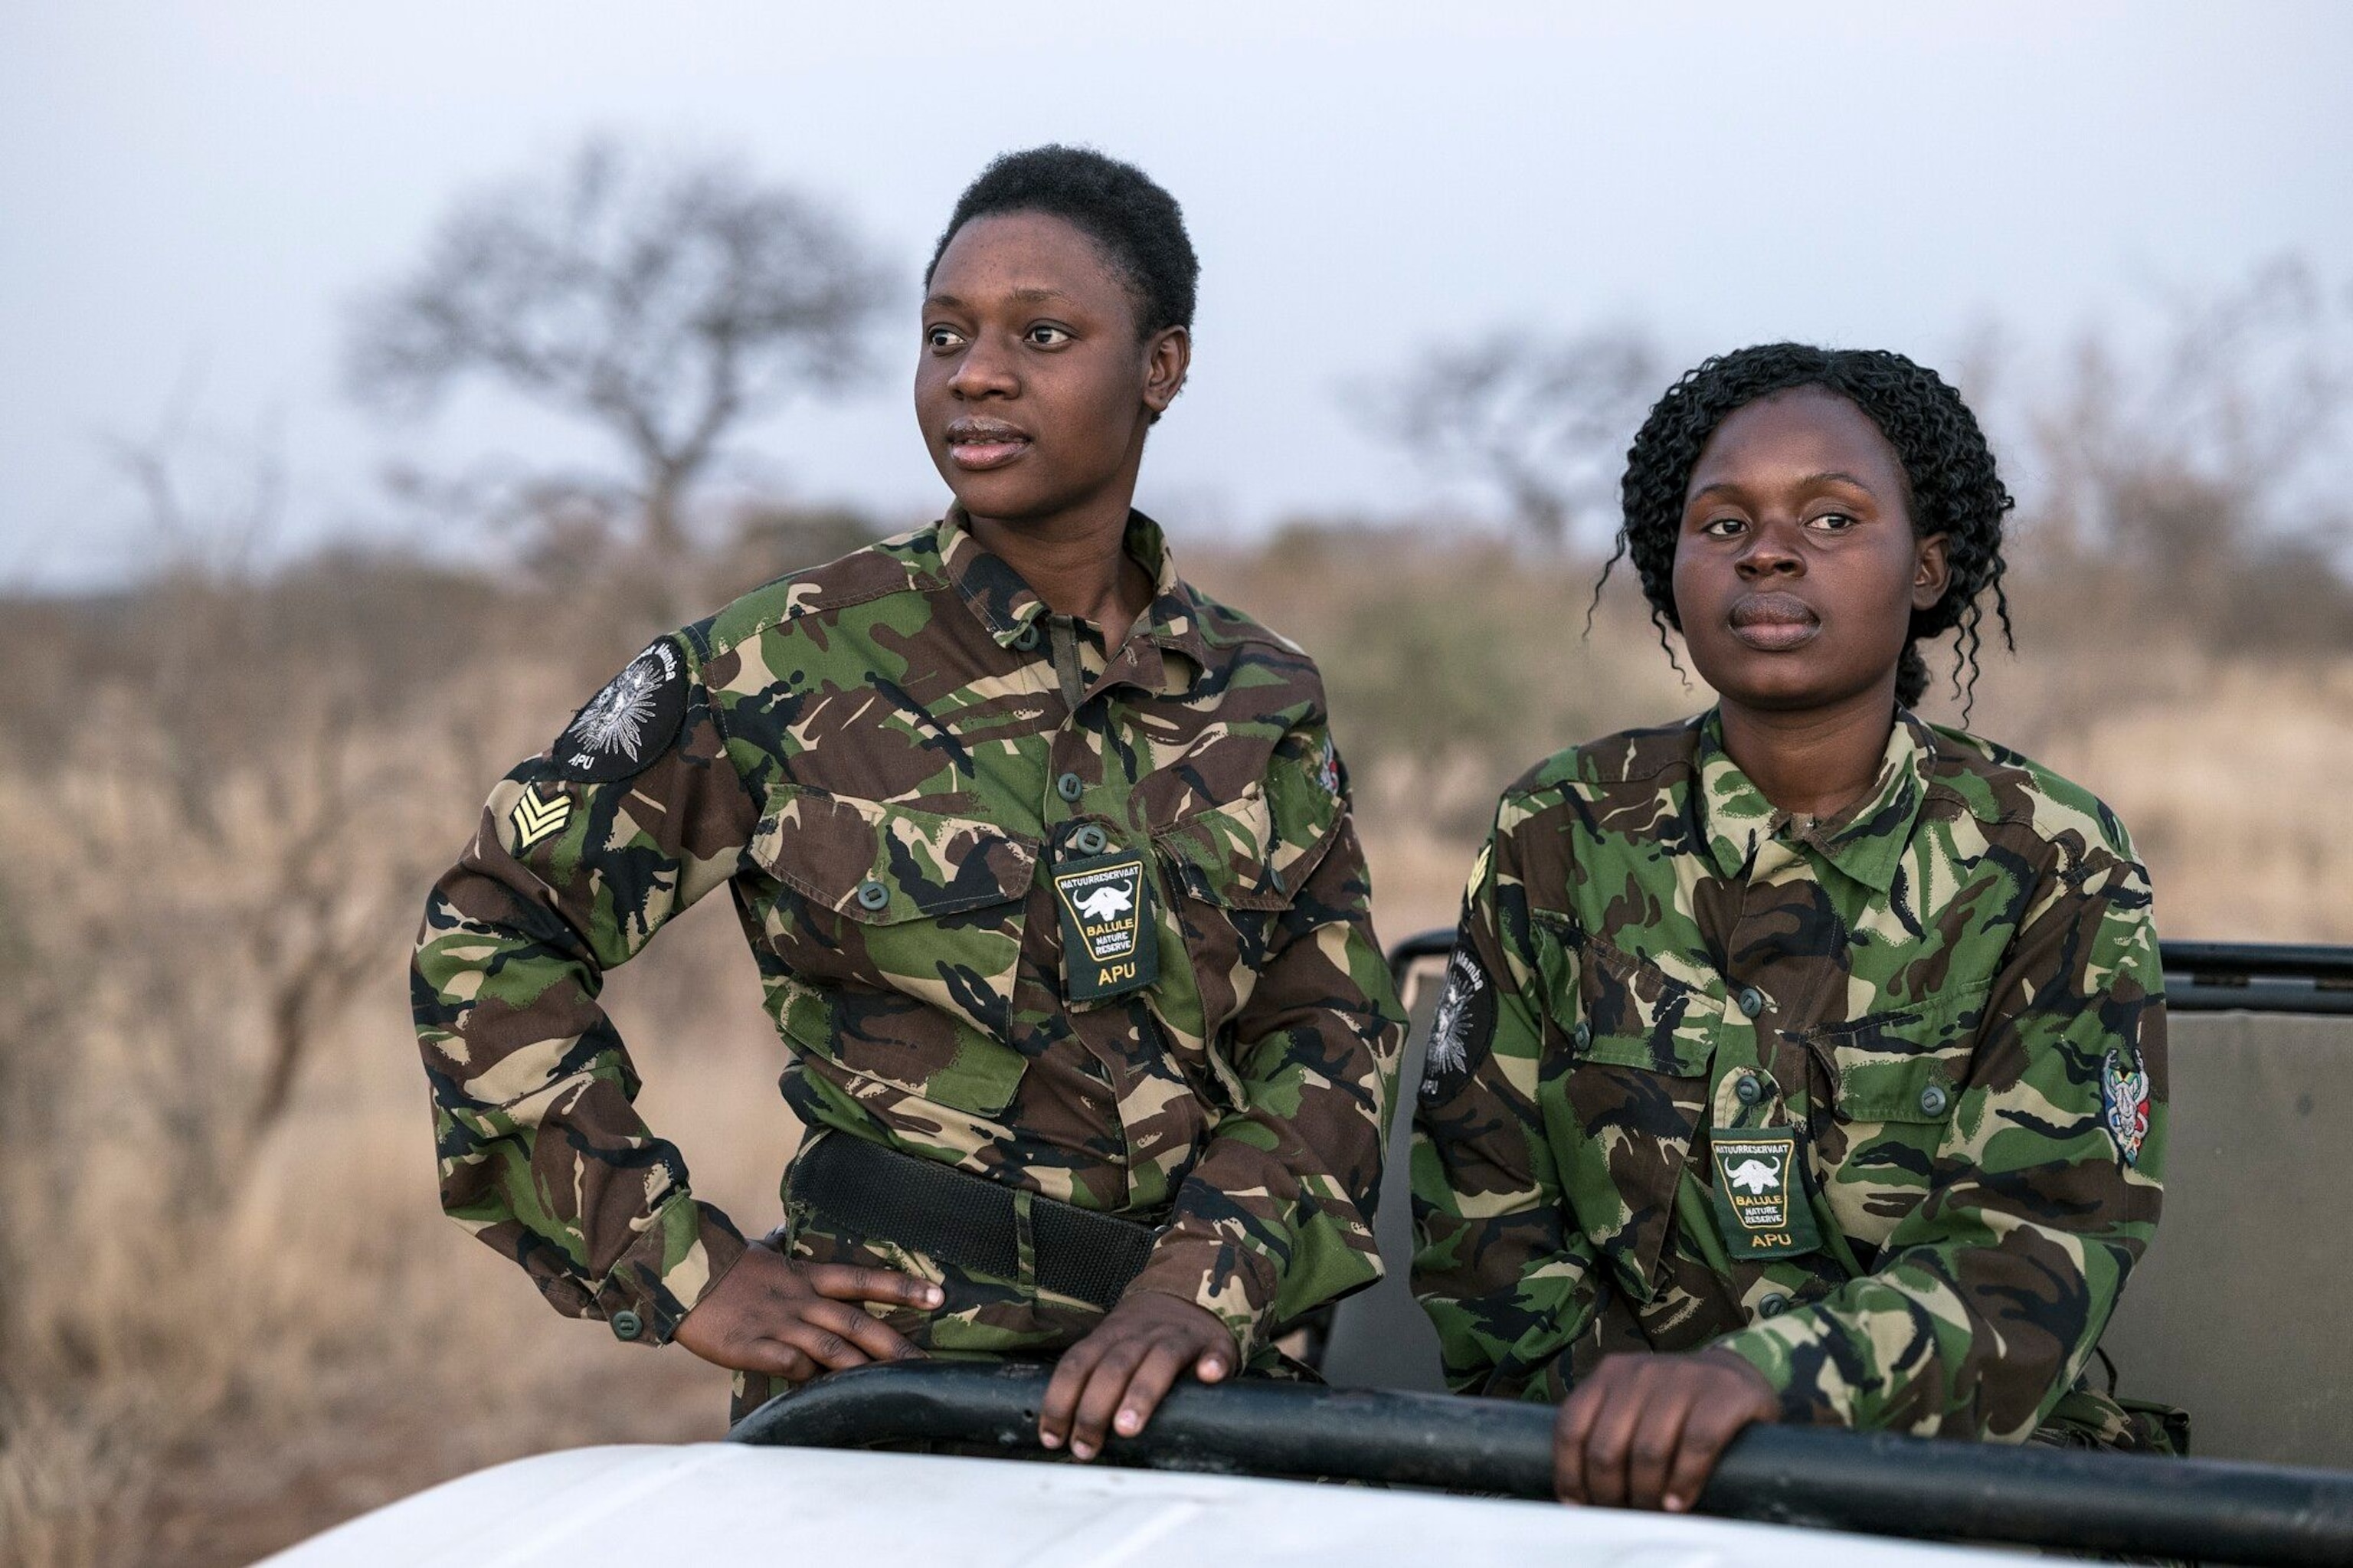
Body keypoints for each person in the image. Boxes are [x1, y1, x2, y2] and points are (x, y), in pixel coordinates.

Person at [411, 145, 1402, 1462]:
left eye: (1042, 335)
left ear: (1159, 367)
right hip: (894, 1393)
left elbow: (1329, 1025)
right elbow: (494, 931)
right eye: (945, 335)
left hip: (1199, 1387)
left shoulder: (1258, 693)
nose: (976, 374)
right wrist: (678, 1264)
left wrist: (1201, 1286)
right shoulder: (783, 660)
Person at [1409, 343, 2170, 1514]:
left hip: (1948, 1482)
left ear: (1926, 569)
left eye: (1830, 517)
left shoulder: (2049, 859)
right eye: (1722, 525)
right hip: (1590, 1470)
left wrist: (1759, 1389)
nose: (1768, 550)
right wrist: (1625, 1432)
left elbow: (2037, 1254)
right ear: (1671, 571)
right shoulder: (1559, 830)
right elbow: (1480, 1214)